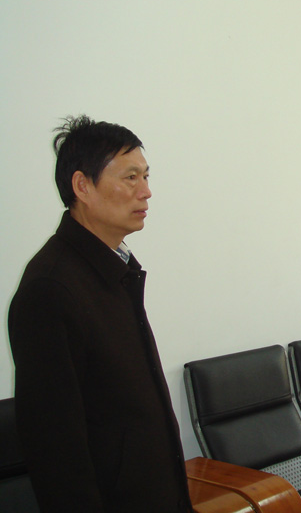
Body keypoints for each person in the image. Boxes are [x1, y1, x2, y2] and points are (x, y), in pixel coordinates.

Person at [8, 116, 192, 512]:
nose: (146, 191)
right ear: (82, 186)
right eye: (130, 178)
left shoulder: (113, 267)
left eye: (146, 176)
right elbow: (54, 449)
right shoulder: (51, 289)